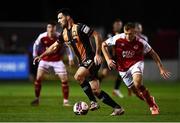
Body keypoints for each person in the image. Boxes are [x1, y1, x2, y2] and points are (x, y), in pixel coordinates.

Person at [34, 8, 124, 116]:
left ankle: (93, 102)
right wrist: (41, 56)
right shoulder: (64, 34)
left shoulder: (80, 27)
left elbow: (96, 35)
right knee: (95, 90)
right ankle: (117, 108)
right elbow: (53, 47)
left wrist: (97, 54)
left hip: (91, 58)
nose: (58, 20)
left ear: (67, 17)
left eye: (60, 18)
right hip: (83, 62)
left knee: (78, 76)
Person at [102, 22, 171, 115]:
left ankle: (153, 106)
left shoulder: (141, 42)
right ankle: (150, 99)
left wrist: (161, 68)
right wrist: (108, 59)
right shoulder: (118, 38)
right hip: (122, 68)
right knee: (137, 93)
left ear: (135, 32)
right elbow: (103, 45)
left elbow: (153, 53)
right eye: (126, 33)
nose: (127, 36)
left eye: (130, 34)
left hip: (136, 63)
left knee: (137, 83)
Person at [31, 21, 74, 106]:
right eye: (49, 27)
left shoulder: (59, 36)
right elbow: (35, 45)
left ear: (55, 29)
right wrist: (34, 55)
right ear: (47, 28)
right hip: (44, 60)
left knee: (64, 80)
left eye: (52, 28)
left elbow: (67, 47)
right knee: (38, 79)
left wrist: (70, 58)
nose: (50, 29)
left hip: (57, 60)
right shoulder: (42, 36)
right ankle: (37, 99)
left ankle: (65, 101)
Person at [99, 19, 125, 98]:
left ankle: (116, 90)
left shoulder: (122, 34)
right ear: (114, 25)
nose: (118, 26)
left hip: (119, 57)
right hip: (110, 57)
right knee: (104, 73)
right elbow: (105, 45)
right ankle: (96, 85)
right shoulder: (110, 34)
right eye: (117, 24)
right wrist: (107, 57)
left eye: (119, 25)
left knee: (122, 73)